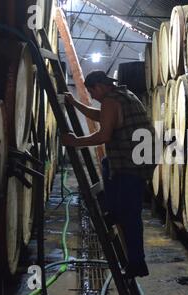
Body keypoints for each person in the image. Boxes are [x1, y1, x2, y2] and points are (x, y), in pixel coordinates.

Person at [60, 70, 156, 278]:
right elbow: (101, 116)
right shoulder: (124, 94)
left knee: (131, 217)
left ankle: (137, 264)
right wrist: (75, 104)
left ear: (100, 87)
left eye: (92, 92)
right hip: (138, 158)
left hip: (132, 165)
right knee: (105, 163)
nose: (92, 96)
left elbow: (103, 135)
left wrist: (75, 142)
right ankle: (113, 210)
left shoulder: (111, 102)